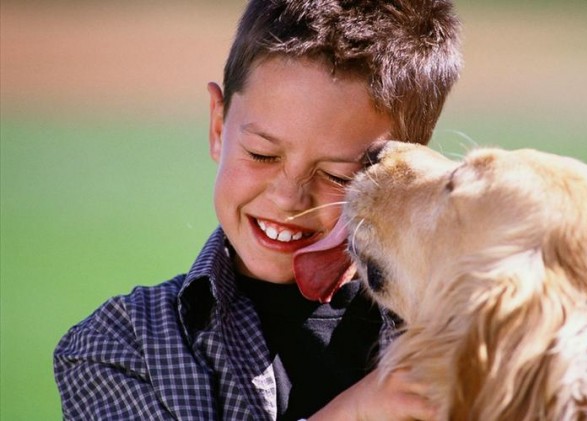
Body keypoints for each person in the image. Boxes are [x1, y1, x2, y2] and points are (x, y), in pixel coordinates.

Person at [53, 0, 462, 419]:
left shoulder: (462, 332)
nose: (288, 199)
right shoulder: (122, 345)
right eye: (263, 154)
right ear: (218, 126)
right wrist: (358, 411)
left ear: (396, 172)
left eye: (338, 176)